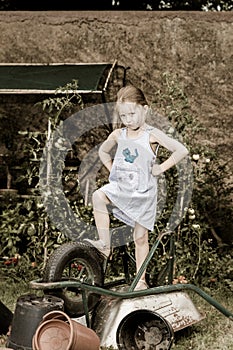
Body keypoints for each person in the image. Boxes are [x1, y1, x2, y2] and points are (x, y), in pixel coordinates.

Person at [84, 85, 188, 290]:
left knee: (140, 238)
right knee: (98, 196)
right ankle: (105, 245)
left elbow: (181, 150)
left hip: (143, 193)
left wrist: (160, 168)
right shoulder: (118, 135)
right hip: (122, 187)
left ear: (145, 109)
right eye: (124, 115)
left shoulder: (151, 134)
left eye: (132, 113)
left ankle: (141, 280)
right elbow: (103, 152)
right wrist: (112, 167)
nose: (128, 119)